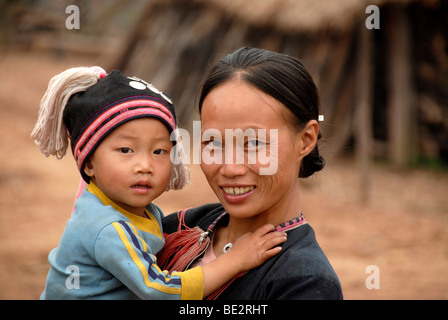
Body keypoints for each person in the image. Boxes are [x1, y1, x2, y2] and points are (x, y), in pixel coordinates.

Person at [32, 66, 287, 300]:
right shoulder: (108, 228)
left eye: (159, 151)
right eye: (125, 149)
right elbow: (160, 292)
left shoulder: (139, 212)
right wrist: (235, 260)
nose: (145, 165)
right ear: (88, 163)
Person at [161, 47, 343, 299]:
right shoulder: (175, 229)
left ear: (306, 140)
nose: (230, 169)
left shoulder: (304, 282)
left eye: (254, 143)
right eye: (213, 142)